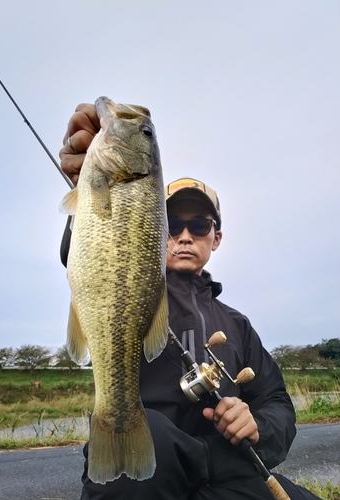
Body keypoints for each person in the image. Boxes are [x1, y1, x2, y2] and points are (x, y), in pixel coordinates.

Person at [59, 104, 322, 500]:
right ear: (156, 227)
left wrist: (257, 425)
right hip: (154, 467)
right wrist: (85, 182)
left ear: (215, 238)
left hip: (232, 471)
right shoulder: (134, 284)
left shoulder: (238, 325)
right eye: (173, 224)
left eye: (199, 226)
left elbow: (277, 403)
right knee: (147, 453)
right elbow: (91, 252)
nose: (184, 235)